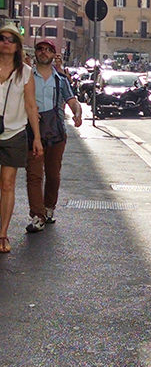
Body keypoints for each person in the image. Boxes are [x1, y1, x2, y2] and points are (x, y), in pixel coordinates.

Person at [25, 38, 82, 233]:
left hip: (56, 132)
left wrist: (77, 112)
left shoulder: (61, 80)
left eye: (48, 50)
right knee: (33, 175)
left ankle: (49, 208)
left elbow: (72, 100)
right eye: (40, 49)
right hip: (31, 132)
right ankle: (37, 216)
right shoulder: (27, 77)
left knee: (53, 175)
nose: (43, 52)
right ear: (35, 53)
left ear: (53, 54)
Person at [0, 24, 43, 252]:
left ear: (17, 46)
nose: (6, 42)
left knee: (7, 185)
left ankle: (2, 234)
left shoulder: (25, 72)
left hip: (14, 132)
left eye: (11, 39)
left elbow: (30, 105)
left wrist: (36, 137)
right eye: (2, 38)